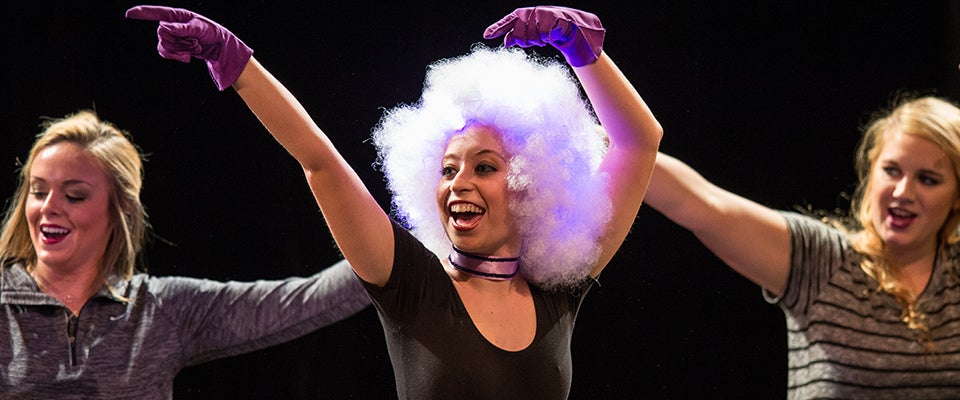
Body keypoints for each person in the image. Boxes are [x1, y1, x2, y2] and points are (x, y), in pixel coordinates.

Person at [126, 4, 661, 399]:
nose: (459, 184)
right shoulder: (411, 283)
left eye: (485, 167)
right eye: (447, 169)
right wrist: (234, 61)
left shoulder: (557, 291)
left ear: (531, 185)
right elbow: (320, 162)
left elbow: (640, 143)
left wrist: (581, 50)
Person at [0, 109, 371, 399]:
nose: (48, 207)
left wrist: (418, 239)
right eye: (38, 191)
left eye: (74, 195)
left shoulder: (159, 309)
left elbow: (308, 299)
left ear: (120, 209)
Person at [646, 96, 960, 398]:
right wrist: (606, 145)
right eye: (891, 170)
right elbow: (704, 204)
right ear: (871, 174)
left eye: (928, 179)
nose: (903, 191)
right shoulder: (824, 261)